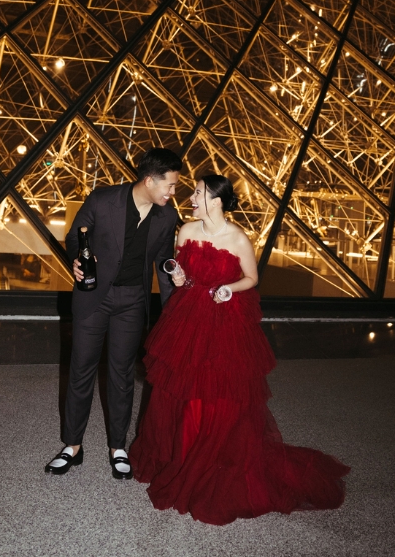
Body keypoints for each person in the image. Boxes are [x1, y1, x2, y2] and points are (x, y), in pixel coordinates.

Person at [129, 174, 350, 524]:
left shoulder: (238, 238)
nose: (191, 198)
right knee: (179, 388)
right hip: (188, 315)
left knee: (216, 392)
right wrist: (179, 277)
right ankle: (182, 452)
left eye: (198, 193)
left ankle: (209, 454)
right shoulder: (186, 231)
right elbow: (183, 271)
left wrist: (230, 289)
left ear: (216, 200)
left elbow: (251, 279)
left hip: (223, 320)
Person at [44, 148, 183, 479]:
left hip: (133, 301)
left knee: (121, 375)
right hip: (94, 296)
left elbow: (164, 258)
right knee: (81, 369)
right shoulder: (103, 199)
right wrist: (77, 261)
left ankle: (117, 447)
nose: (174, 192)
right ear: (150, 181)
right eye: (171, 185)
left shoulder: (166, 216)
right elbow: (76, 236)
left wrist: (173, 288)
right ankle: (72, 446)